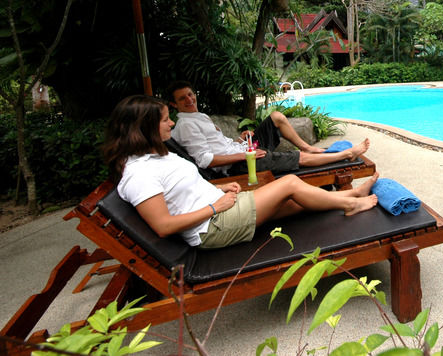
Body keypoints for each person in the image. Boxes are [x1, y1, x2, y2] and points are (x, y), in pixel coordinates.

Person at [102, 95, 378, 249]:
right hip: (212, 227)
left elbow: (179, 191)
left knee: (295, 202)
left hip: (222, 209)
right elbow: (163, 226)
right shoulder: (138, 175)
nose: (171, 124)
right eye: (165, 120)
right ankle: (351, 202)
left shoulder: (155, 156)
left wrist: (220, 189)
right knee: (289, 184)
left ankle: (351, 194)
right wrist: (214, 206)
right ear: (143, 127)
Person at [165, 80, 369, 176]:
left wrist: (239, 141)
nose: (189, 99)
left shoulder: (198, 117)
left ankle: (308, 147)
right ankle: (346, 154)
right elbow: (205, 160)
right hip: (241, 165)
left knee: (276, 117)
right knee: (295, 157)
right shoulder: (185, 125)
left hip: (242, 151)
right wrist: (245, 156)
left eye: (190, 94)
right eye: (182, 98)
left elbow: (217, 145)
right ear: (174, 105)